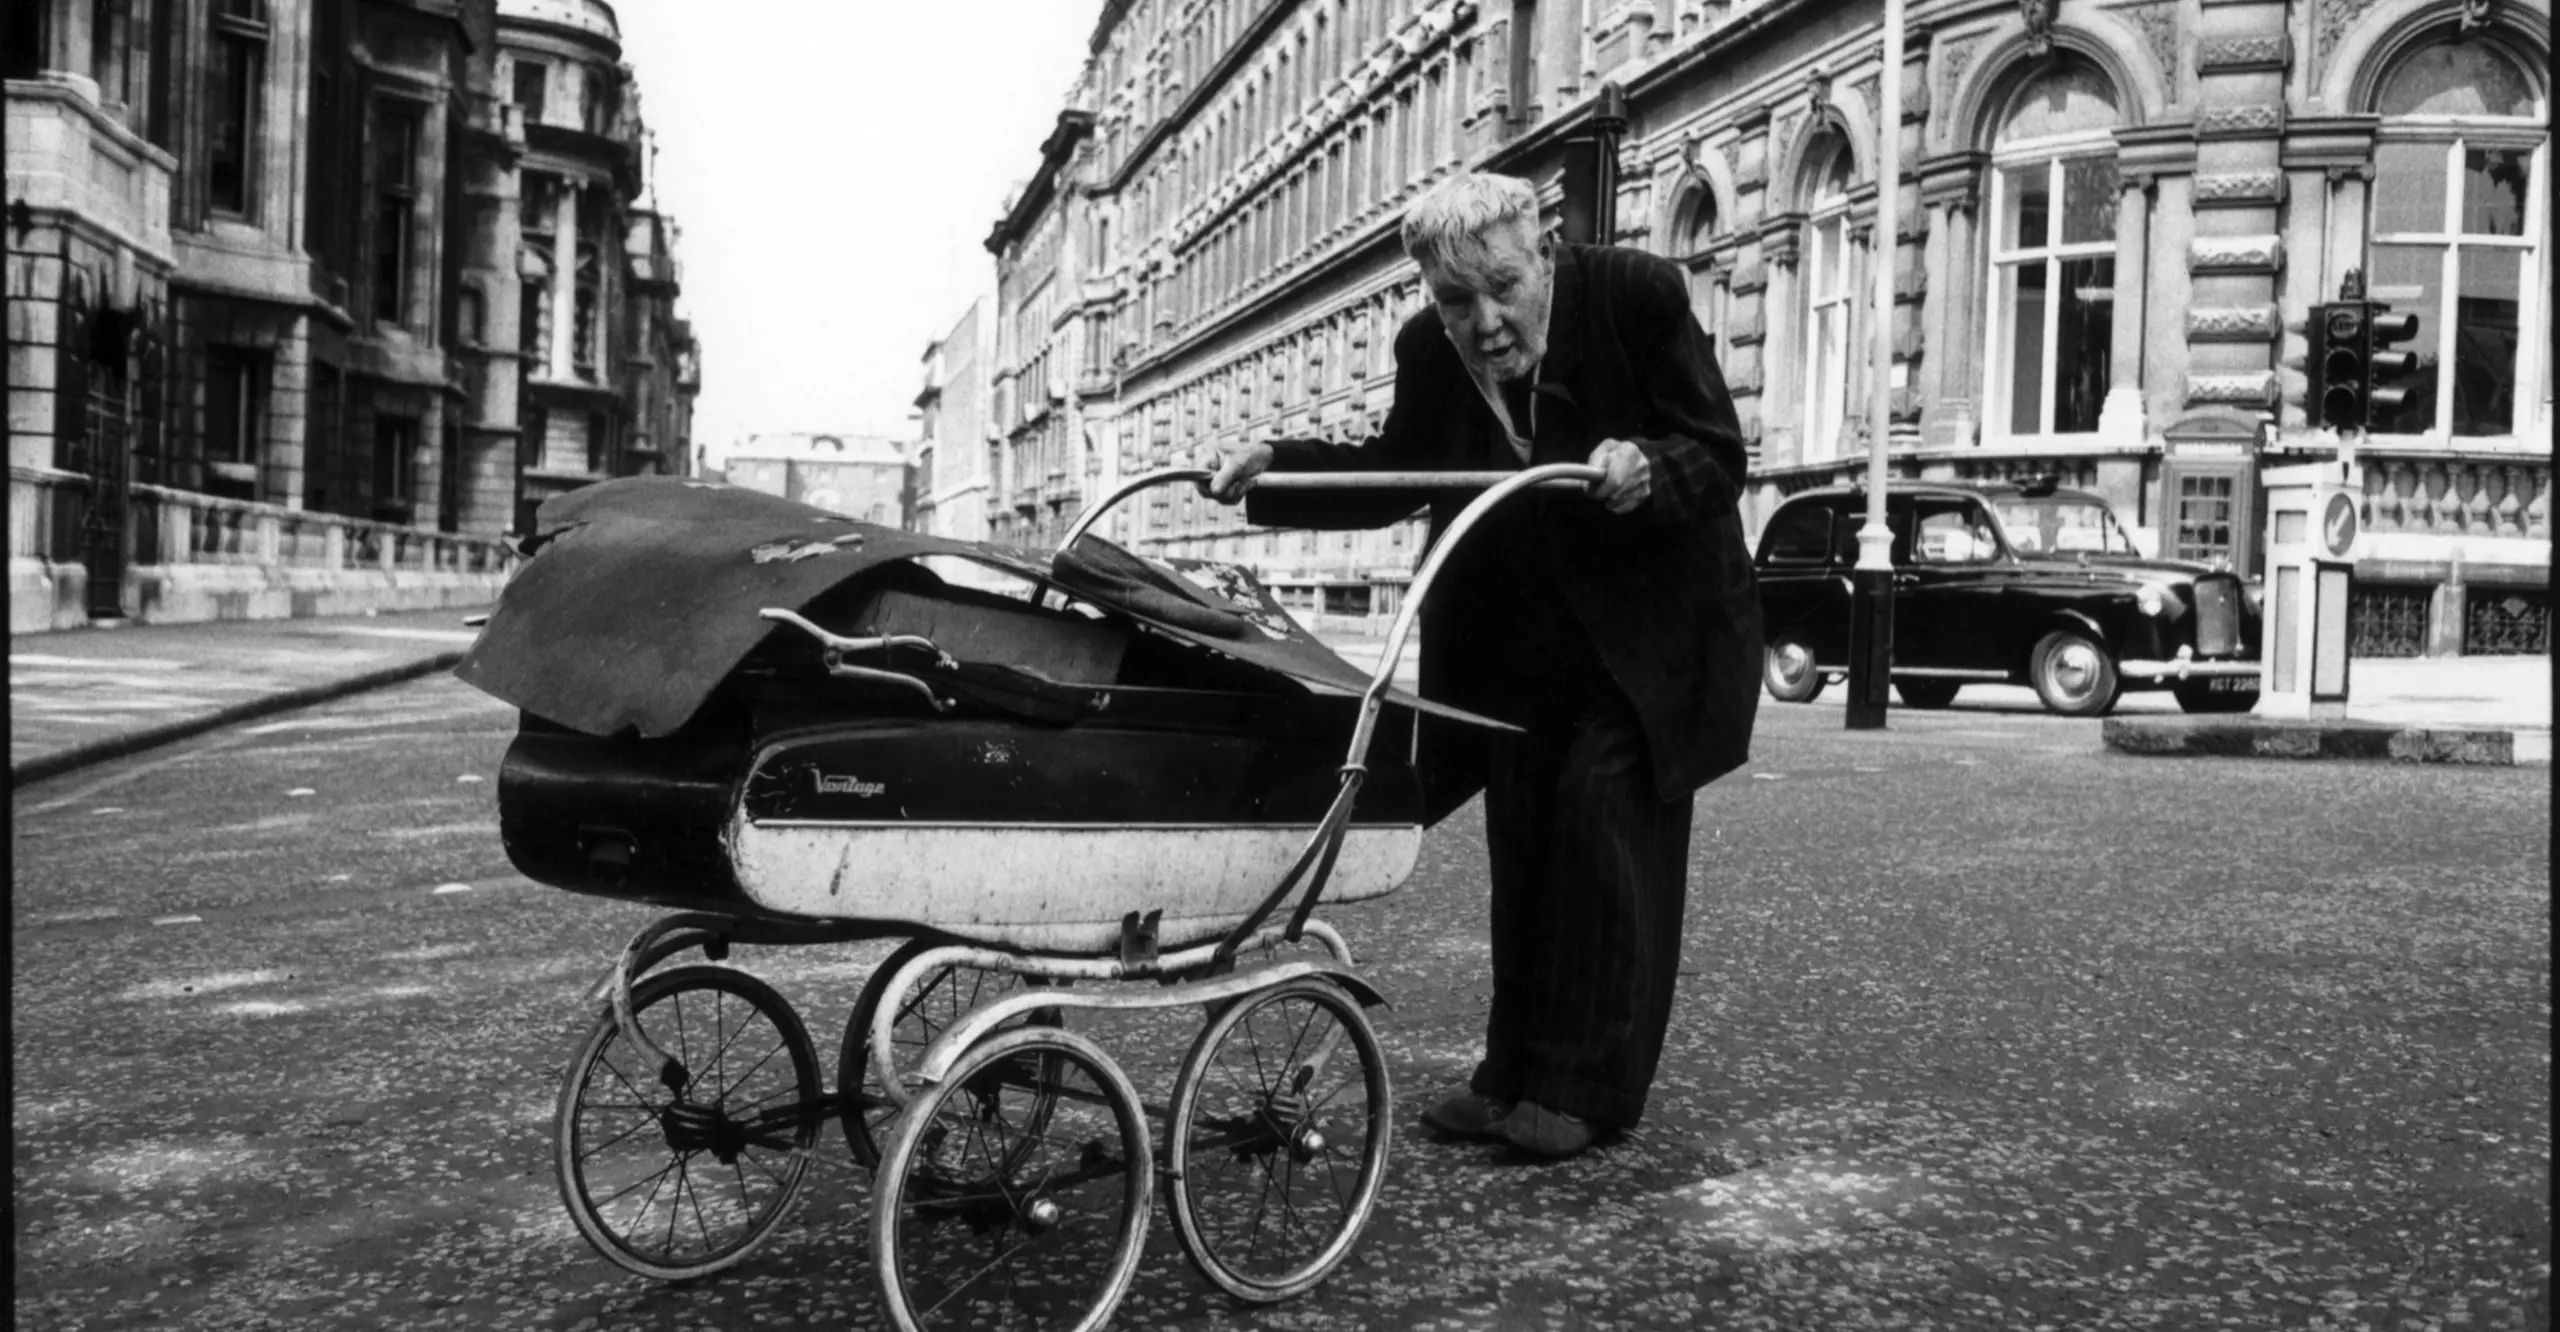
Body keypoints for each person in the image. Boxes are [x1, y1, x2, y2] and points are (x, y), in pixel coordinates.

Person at [1202, 171, 1762, 1158]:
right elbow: (1394, 467)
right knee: (1524, 842)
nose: (1486, 321)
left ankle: (1585, 1089)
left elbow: (1716, 451)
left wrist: (1646, 463)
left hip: (1651, 644)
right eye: (1456, 302)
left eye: (1503, 285)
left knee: (1598, 823)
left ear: (1541, 252)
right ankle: (1510, 1072)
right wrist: (1273, 469)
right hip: (1520, 648)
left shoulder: (1637, 294)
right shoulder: (1431, 349)